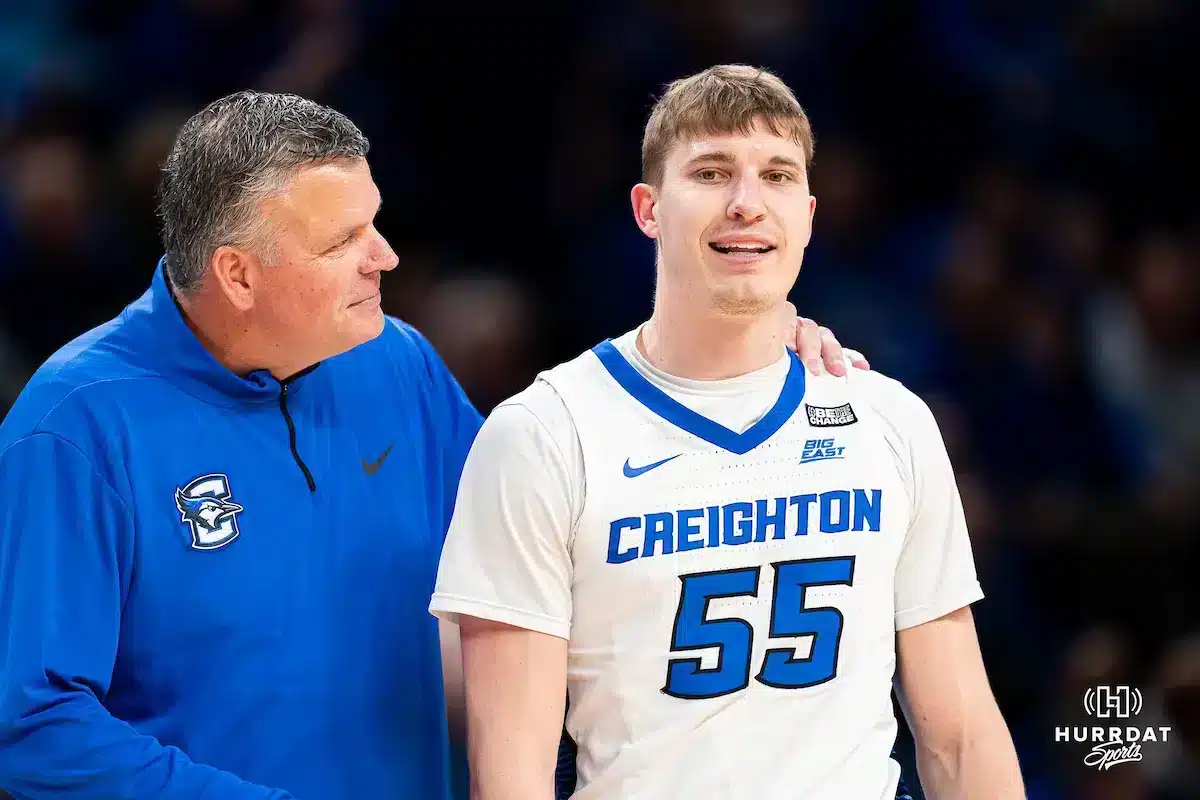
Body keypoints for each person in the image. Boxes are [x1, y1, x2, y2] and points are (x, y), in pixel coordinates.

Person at [0, 90, 859, 799]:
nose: (387, 256)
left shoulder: (393, 361)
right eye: (344, 243)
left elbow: (562, 531)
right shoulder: (76, 429)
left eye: (374, 222)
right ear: (237, 273)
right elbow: (29, 726)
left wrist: (746, 360)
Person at [429, 64, 1027, 799]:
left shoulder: (889, 420)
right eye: (711, 173)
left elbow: (961, 738)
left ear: (808, 213)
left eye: (775, 176)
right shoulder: (545, 435)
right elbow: (510, 776)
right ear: (648, 209)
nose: (747, 202)